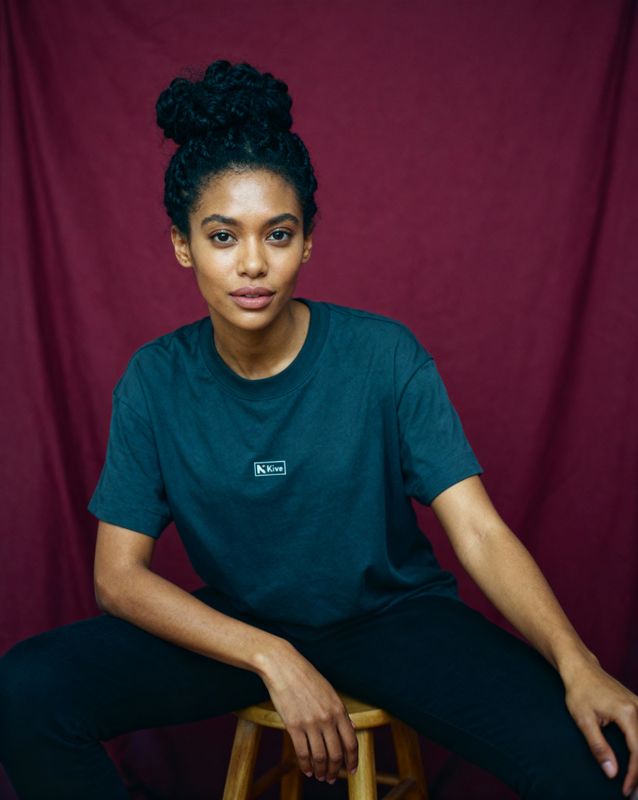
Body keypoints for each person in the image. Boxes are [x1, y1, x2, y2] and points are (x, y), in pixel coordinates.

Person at [0, 58, 636, 800]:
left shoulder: (383, 355)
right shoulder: (154, 379)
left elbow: (481, 532)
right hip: (241, 624)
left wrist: (577, 662)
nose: (252, 264)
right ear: (184, 246)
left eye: (277, 234)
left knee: (596, 760)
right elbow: (118, 578)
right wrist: (272, 656)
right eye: (222, 236)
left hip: (391, 619)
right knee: (25, 691)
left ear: (307, 242)